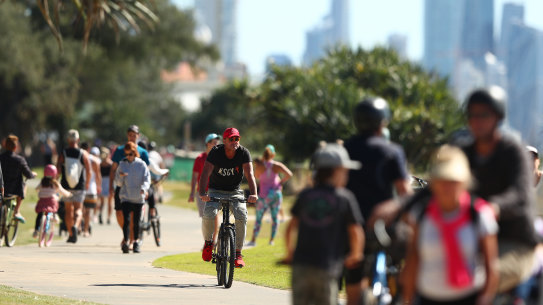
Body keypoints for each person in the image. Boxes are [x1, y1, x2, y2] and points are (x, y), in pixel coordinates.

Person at [461, 87, 538, 293]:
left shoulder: (513, 152)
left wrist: (492, 207)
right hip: (473, 242)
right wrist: (399, 206)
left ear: (498, 117)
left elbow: (520, 195)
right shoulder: (464, 153)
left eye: (484, 115)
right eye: (472, 115)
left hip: (514, 244)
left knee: (475, 283)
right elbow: (437, 186)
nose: (477, 121)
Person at [402, 145, 499, 305]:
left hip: (469, 298)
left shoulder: (479, 214)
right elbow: (413, 258)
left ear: (464, 183)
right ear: (434, 183)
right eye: (442, 180)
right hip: (428, 298)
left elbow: (491, 266)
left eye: (453, 181)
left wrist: (485, 299)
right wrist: (408, 298)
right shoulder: (421, 214)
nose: (447, 187)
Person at [343, 97, 412, 304]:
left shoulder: (346, 148)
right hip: (385, 227)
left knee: (354, 275)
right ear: (382, 122)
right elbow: (404, 192)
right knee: (413, 252)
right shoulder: (391, 151)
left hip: (352, 228)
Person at [282, 143, 364, 305]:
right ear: (337, 171)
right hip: (326, 267)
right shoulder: (344, 198)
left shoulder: (305, 195)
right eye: (345, 171)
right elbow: (355, 230)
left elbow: (291, 226)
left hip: (301, 266)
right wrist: (356, 254)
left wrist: (290, 252)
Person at [199, 127, 258, 268]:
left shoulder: (243, 153)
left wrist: (254, 193)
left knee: (242, 215)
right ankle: (208, 243)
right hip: (215, 190)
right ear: (224, 140)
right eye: (231, 139)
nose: (234, 141)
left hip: (235, 191)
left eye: (237, 138)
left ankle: (237, 253)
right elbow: (205, 173)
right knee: (209, 213)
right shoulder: (216, 152)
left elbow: (250, 174)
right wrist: (203, 193)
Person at [109, 125, 150, 243]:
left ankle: (130, 238)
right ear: (127, 136)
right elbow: (113, 168)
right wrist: (112, 185)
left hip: (136, 188)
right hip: (121, 186)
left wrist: (145, 189)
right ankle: (126, 232)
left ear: (138, 136)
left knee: (132, 216)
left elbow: (146, 173)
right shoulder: (120, 150)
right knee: (119, 213)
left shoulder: (143, 153)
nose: (132, 137)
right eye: (130, 135)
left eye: (134, 135)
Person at [247, 144, 292, 246]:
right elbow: (289, 174)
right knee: (275, 218)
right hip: (276, 193)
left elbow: (255, 177)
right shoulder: (277, 165)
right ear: (274, 154)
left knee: (258, 218)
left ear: (264, 155)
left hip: (263, 195)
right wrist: (280, 182)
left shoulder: (260, 166)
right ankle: (271, 240)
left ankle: (253, 240)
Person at [115, 142, 150, 253]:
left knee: (136, 222)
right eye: (127, 154)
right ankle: (126, 241)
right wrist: (121, 177)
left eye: (131, 154)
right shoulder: (122, 164)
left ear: (135, 153)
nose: (128, 157)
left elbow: (146, 179)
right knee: (126, 221)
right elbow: (119, 184)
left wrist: (144, 188)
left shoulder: (141, 164)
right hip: (126, 197)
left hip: (138, 198)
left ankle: (136, 242)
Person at [57, 129, 91, 243]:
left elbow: (58, 170)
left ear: (68, 140)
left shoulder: (64, 153)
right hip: (79, 185)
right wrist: (87, 183)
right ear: (78, 140)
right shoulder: (83, 153)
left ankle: (71, 235)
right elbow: (89, 170)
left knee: (68, 210)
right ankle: (76, 226)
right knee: (78, 209)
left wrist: (56, 183)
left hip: (66, 185)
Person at [189, 133, 221, 243]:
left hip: (216, 191)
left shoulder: (220, 158)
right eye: (214, 143)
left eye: (217, 142)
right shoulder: (199, 158)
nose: (216, 144)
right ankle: (207, 242)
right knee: (206, 219)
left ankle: (214, 240)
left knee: (215, 216)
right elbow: (194, 177)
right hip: (202, 193)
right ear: (208, 144)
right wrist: (192, 193)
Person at [0, 134, 37, 223]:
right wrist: (33, 174)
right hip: (14, 190)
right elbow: (28, 174)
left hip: (2, 189)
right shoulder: (20, 160)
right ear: (15, 147)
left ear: (5, 145)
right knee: (24, 184)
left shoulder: (1, 158)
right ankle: (17, 211)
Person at [33, 165, 71, 237]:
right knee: (55, 203)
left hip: (42, 201)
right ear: (55, 173)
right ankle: (54, 215)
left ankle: (36, 230)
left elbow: (36, 189)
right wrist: (68, 194)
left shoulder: (42, 182)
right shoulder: (55, 183)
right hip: (51, 201)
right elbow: (62, 191)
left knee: (40, 214)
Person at [81, 145, 101, 237]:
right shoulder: (95, 161)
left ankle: (82, 226)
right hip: (91, 188)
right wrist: (98, 186)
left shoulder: (79, 157)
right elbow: (97, 175)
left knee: (81, 209)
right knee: (87, 210)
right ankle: (86, 230)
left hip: (81, 186)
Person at [98, 147, 113, 224]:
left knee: (102, 202)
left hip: (102, 182)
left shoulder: (100, 164)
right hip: (109, 182)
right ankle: (108, 218)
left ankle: (100, 214)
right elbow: (112, 175)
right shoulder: (110, 164)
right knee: (109, 202)